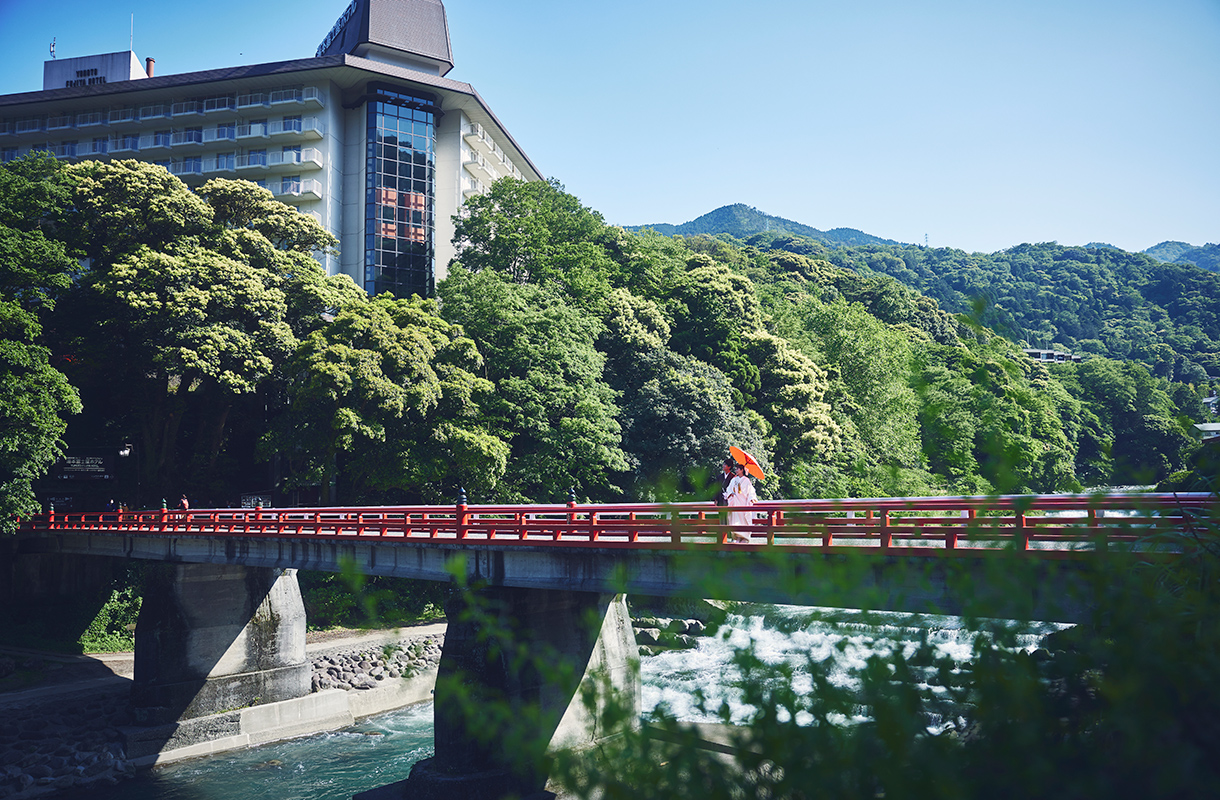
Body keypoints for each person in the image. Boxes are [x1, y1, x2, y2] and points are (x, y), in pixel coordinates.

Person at [723, 463, 757, 543]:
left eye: (738, 469)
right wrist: (730, 494)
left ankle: (744, 538)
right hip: (735, 503)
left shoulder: (747, 480)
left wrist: (751, 498)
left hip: (743, 502)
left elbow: (751, 491)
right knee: (735, 520)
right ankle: (737, 537)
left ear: (742, 470)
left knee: (744, 520)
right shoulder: (734, 479)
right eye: (736, 469)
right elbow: (729, 489)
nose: (736, 470)